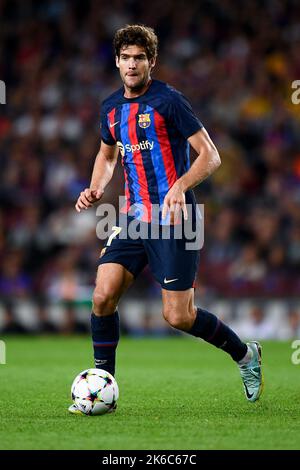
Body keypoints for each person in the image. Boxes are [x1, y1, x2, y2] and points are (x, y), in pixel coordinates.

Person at [69, 25, 263, 414]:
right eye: (125, 57)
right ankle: (103, 386)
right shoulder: (110, 108)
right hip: (133, 218)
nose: (132, 64)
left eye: (139, 57)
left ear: (151, 61)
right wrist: (94, 187)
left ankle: (245, 354)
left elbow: (210, 155)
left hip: (177, 219)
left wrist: (179, 186)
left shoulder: (169, 101)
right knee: (103, 295)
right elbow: (107, 157)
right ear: (117, 61)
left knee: (178, 316)